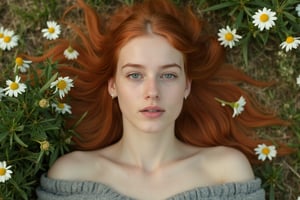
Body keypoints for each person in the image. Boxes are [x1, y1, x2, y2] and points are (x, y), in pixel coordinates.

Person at [29, 0, 292, 199]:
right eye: (134, 75)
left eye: (168, 75)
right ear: (113, 86)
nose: (152, 91)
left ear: (186, 86)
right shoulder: (73, 175)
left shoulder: (225, 172)